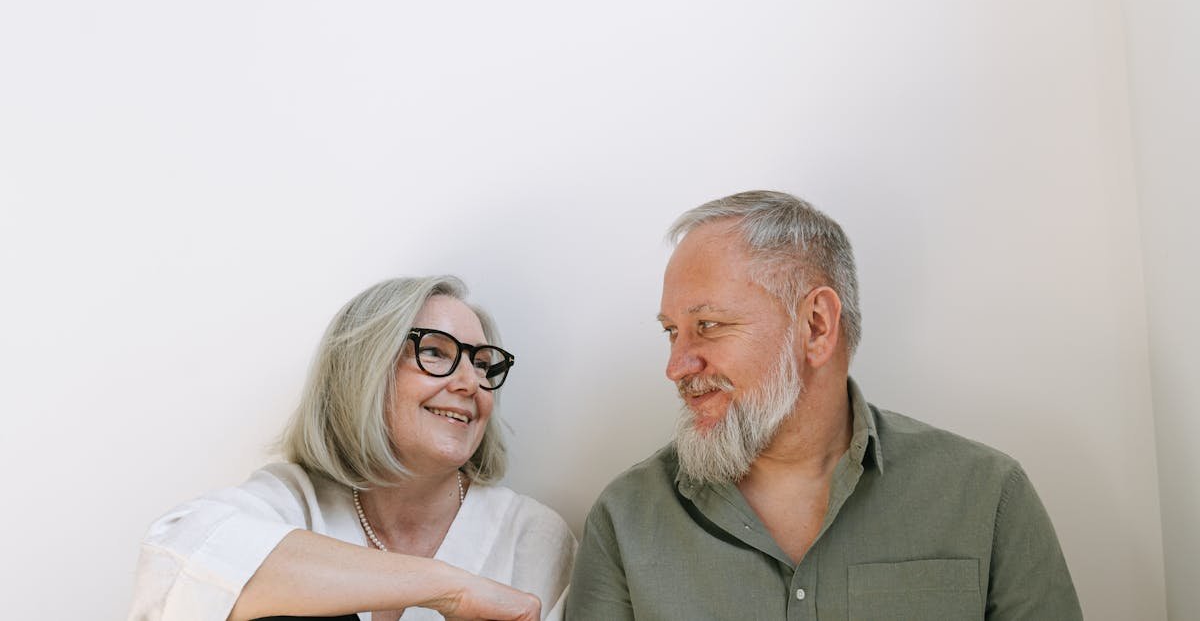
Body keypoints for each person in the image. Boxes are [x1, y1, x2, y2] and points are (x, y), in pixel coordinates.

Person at [566, 191, 1082, 620]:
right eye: (671, 332)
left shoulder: (987, 497)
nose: (677, 366)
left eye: (709, 325)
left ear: (816, 326)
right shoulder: (625, 519)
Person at [129, 276, 576, 621]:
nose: (469, 383)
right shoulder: (294, 500)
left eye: (481, 364)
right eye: (436, 353)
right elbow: (177, 561)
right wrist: (446, 587)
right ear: (363, 370)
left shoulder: (530, 537)